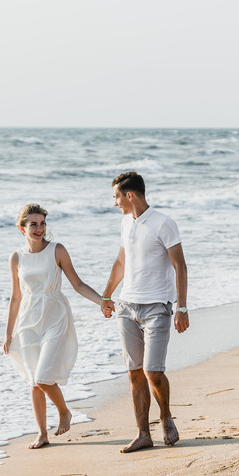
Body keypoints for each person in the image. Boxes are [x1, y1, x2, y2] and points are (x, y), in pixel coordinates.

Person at [3, 203, 106, 449]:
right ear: (22, 228)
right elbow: (16, 297)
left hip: (55, 316)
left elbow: (77, 283)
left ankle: (64, 412)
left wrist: (102, 302)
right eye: (33, 224)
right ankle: (42, 434)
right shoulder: (16, 257)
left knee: (43, 376)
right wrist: (8, 334)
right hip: (28, 320)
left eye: (43, 223)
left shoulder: (57, 250)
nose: (39, 229)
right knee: (33, 380)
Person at [100, 171, 189, 453]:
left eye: (116, 197)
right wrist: (107, 294)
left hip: (157, 308)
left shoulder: (164, 223)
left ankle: (165, 416)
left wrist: (182, 307)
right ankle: (142, 434)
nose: (115, 203)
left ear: (129, 195)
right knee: (134, 372)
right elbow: (121, 261)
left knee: (153, 371)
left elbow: (180, 266)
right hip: (127, 307)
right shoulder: (126, 223)